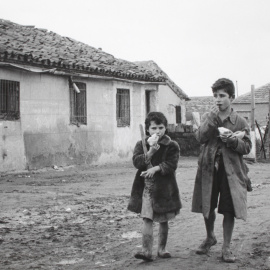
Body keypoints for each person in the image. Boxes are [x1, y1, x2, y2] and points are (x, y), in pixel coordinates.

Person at [192, 78, 252, 263]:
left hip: (231, 171)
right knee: (207, 206)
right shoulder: (208, 117)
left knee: (229, 209)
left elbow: (247, 147)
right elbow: (200, 138)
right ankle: (210, 237)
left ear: (232, 97)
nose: (218, 100)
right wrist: (210, 121)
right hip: (209, 168)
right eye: (215, 96)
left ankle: (226, 247)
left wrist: (233, 141)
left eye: (222, 96)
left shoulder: (240, 121)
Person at [128, 112, 182, 262]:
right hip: (147, 188)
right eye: (153, 128)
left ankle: (162, 248)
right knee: (147, 218)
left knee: (163, 220)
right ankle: (146, 251)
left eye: (161, 127)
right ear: (147, 130)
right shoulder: (141, 144)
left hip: (165, 188)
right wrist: (150, 151)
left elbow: (172, 164)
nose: (157, 131)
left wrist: (155, 168)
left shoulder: (172, 145)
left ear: (165, 128)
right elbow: (137, 163)